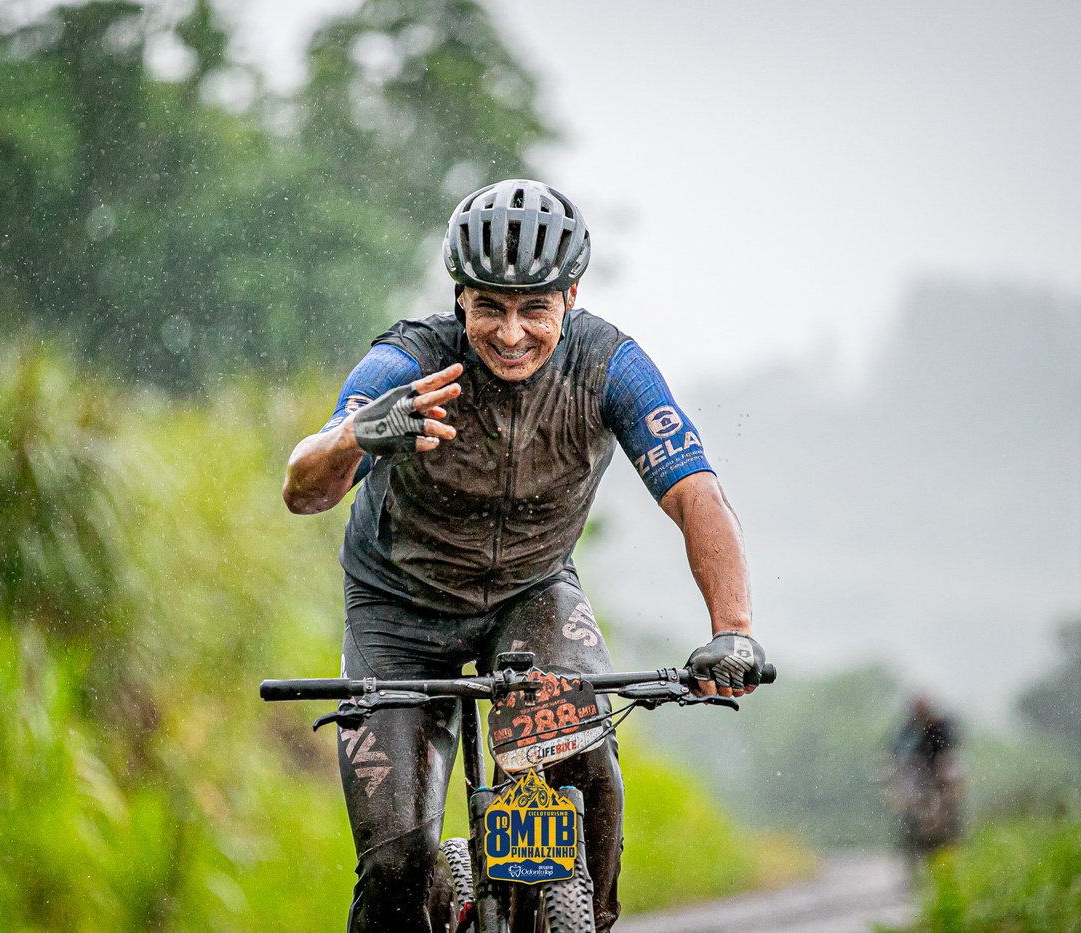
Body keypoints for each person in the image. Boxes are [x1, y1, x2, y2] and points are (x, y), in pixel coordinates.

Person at [283, 178, 767, 932]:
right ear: (460, 298)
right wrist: (357, 435)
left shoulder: (609, 367)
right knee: (396, 865)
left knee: (584, 758)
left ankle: (588, 918)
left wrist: (732, 629)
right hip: (397, 610)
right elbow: (303, 488)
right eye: (490, 308)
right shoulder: (406, 362)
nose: (511, 334)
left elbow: (696, 494)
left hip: (533, 596)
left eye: (534, 309)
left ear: (570, 297)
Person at [887, 695, 963, 877]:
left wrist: (943, 766)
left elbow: (950, 750)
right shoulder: (910, 727)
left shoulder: (941, 726)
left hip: (939, 767)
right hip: (917, 769)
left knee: (951, 788)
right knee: (907, 797)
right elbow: (895, 750)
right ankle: (910, 834)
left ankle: (954, 832)